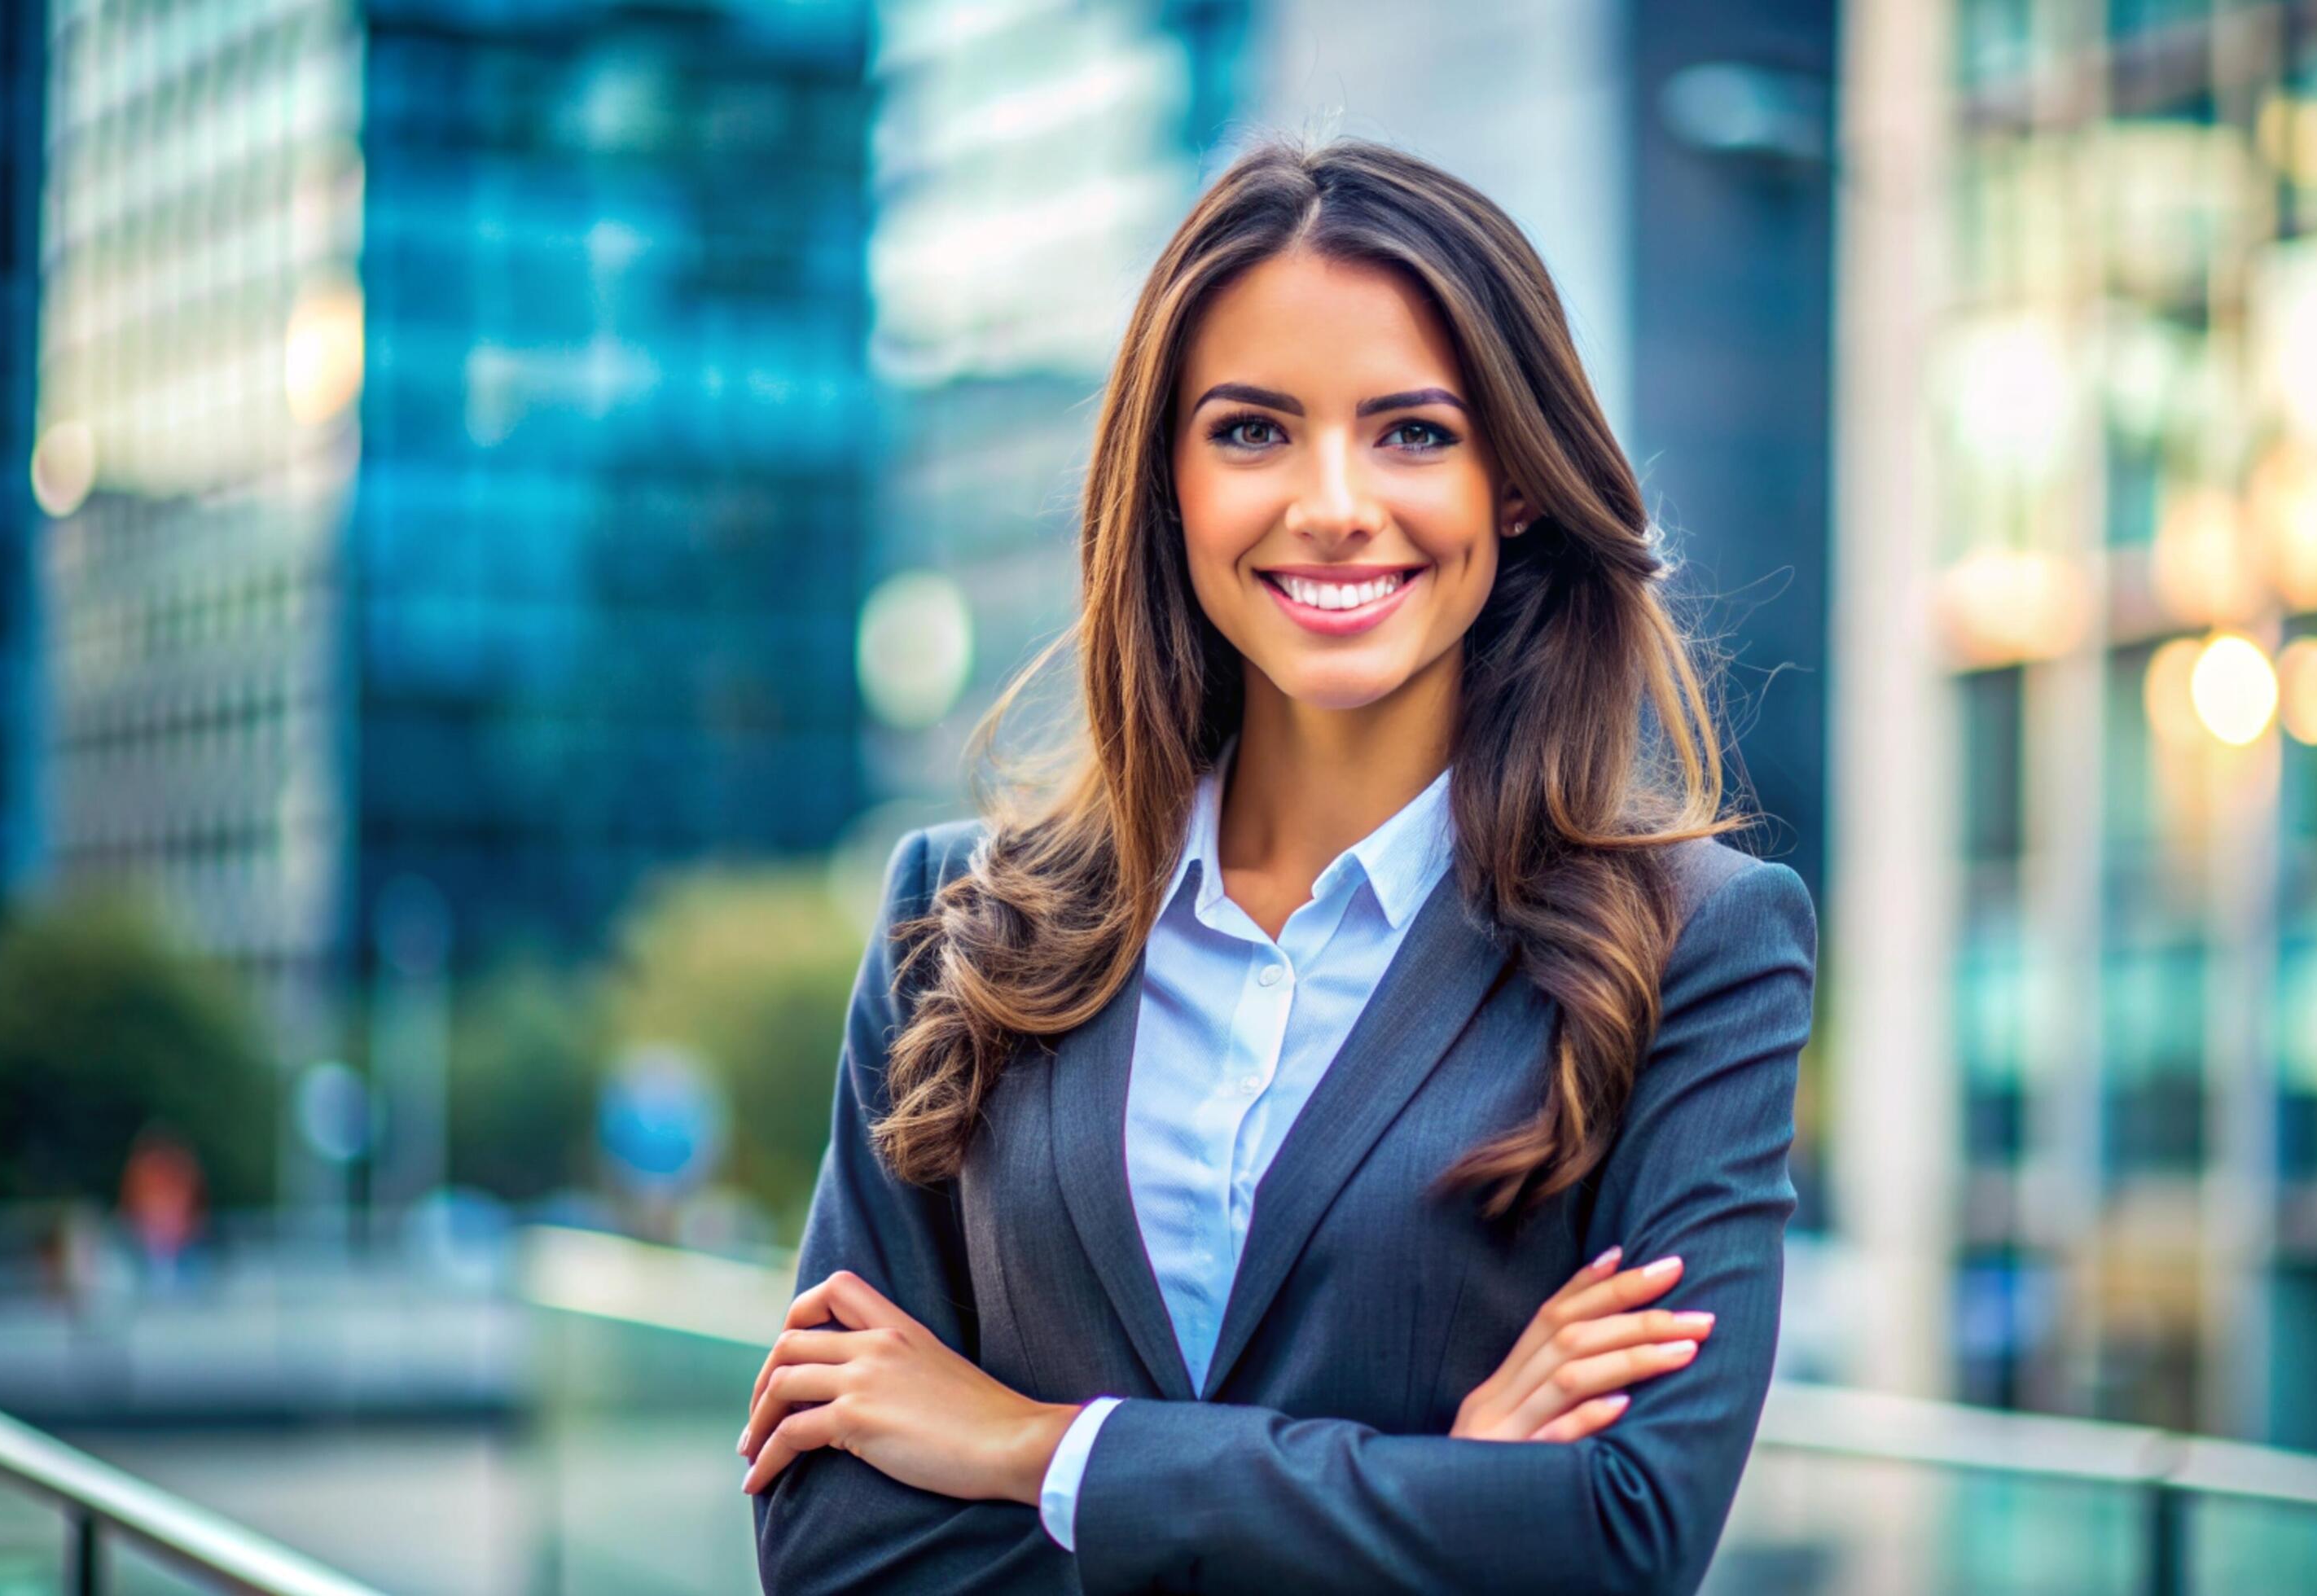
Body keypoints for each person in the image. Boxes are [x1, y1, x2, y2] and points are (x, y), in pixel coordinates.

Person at [739, 132, 1818, 1594]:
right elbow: (831, 1544)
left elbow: (1622, 1538)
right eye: (1252, 431)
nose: (1331, 504)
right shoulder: (956, 921)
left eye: (1413, 433)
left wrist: (1034, 1450)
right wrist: (1435, 1496)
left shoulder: (1701, 945)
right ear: (1169, 479)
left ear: (1513, 482)